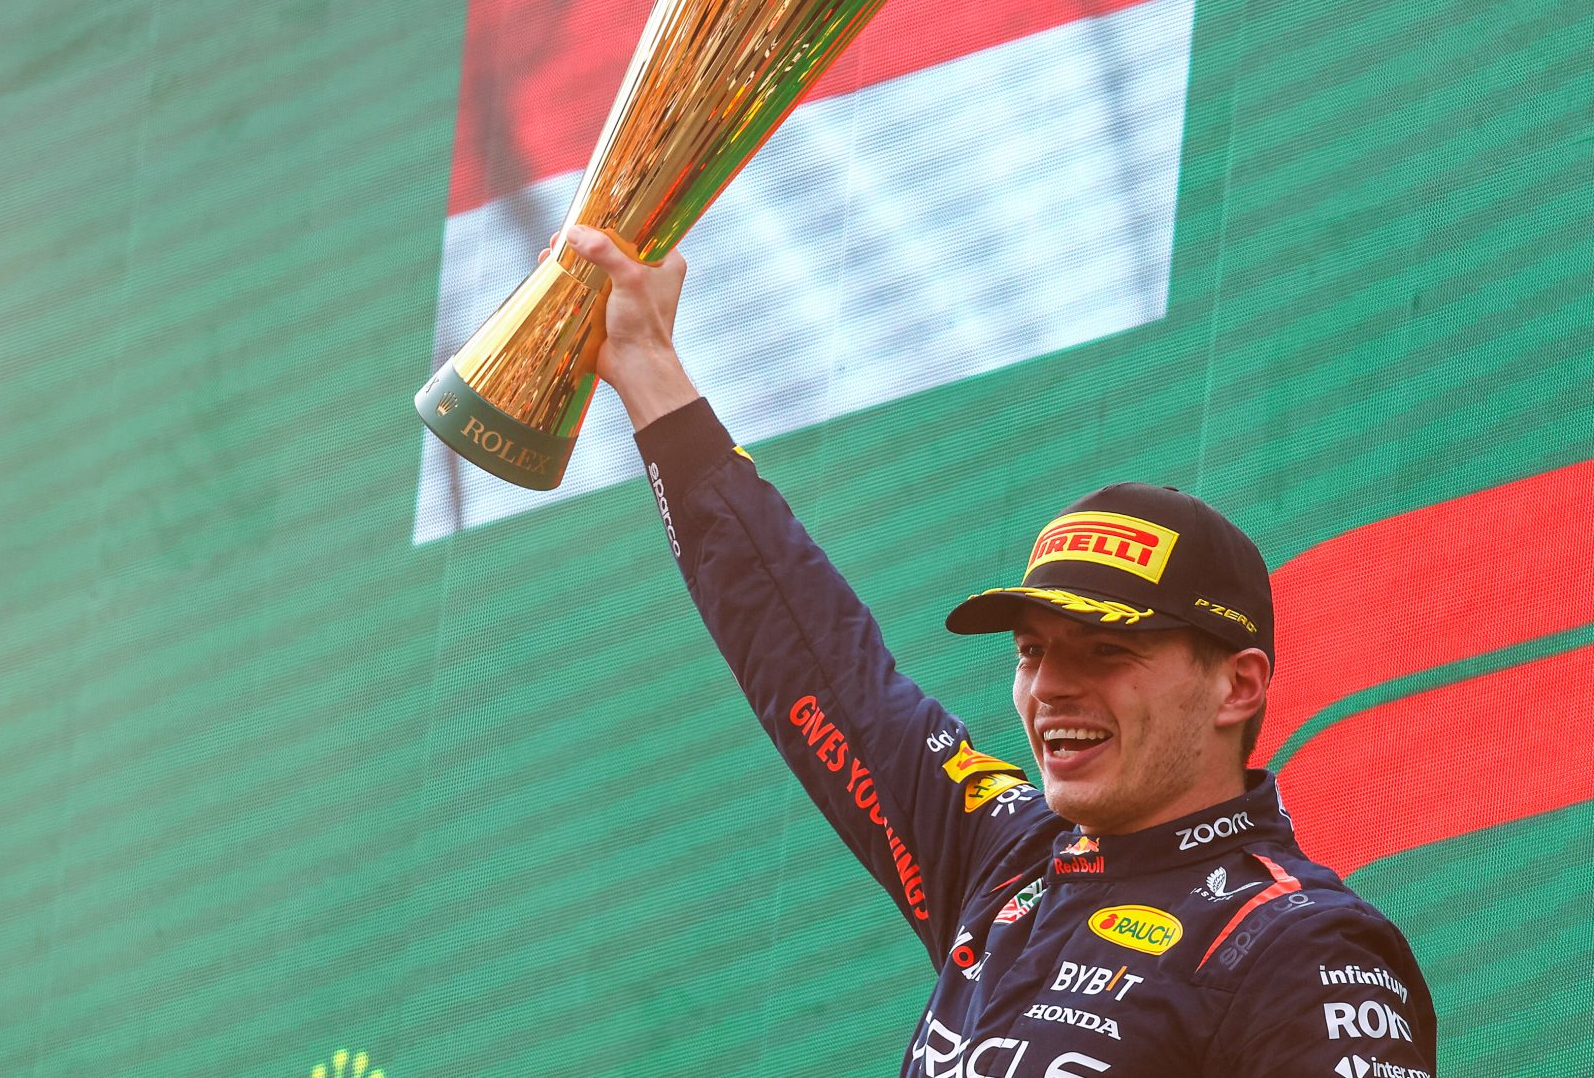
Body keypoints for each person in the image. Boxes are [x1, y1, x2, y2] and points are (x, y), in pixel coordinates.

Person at [558, 224, 1437, 1078]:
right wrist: (648, 368)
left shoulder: (1300, 944)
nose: (1050, 685)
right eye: (1030, 650)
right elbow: (813, 657)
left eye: (1105, 649)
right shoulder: (1007, 856)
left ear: (1237, 686)